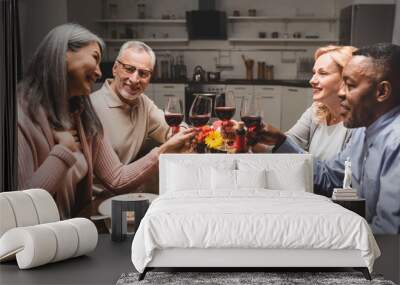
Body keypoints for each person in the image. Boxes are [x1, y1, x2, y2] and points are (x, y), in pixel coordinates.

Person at [17, 24, 194, 219]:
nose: (100, 73)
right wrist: (64, 150)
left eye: (143, 73)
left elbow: (116, 179)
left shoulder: (83, 115)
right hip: (39, 240)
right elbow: (20, 205)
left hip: (77, 230)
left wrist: (166, 149)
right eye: (95, 58)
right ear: (64, 53)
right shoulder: (20, 115)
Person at [253, 43, 400, 234]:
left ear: (382, 92)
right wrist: (281, 141)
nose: (341, 93)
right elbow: (330, 177)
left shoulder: (395, 142)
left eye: (350, 85)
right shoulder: (362, 132)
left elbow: (389, 233)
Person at [251, 45, 356, 160]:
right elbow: (288, 145)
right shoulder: (317, 110)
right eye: (314, 73)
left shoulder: (358, 123)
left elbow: (335, 175)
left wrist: (280, 140)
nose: (312, 80)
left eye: (323, 73)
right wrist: (247, 140)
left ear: (346, 79)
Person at [91, 41, 176, 166]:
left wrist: (183, 131)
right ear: (115, 69)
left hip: (130, 182)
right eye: (129, 69)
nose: (134, 79)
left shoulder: (144, 103)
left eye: (143, 73)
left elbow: (171, 129)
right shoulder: (91, 107)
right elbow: (112, 178)